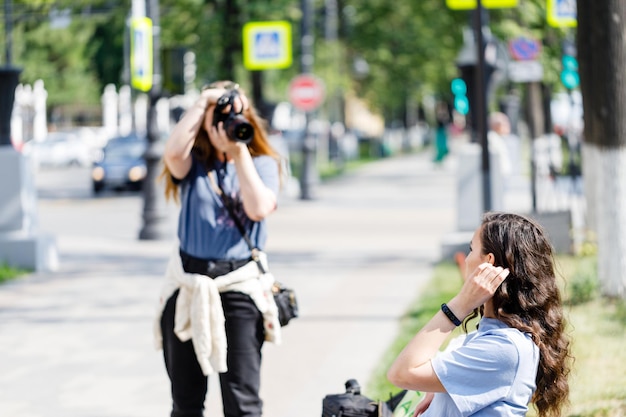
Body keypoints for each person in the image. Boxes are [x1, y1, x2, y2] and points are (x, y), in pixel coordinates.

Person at [153, 80, 282, 417]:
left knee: (242, 402)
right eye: (216, 118)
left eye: (231, 117)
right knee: (185, 402)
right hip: (188, 287)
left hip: (238, 289)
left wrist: (239, 149)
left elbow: (257, 208)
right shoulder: (194, 164)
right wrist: (203, 102)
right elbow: (172, 154)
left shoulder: (263, 163)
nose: (223, 125)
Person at [387, 212, 572, 417]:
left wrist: (458, 306)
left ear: (488, 263)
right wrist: (442, 390)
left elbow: (401, 374)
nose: (466, 260)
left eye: (471, 249)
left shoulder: (506, 348)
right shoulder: (489, 338)